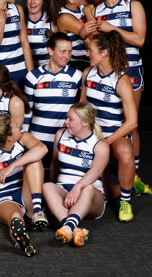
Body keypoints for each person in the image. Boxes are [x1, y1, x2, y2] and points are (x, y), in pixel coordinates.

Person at [85, 0, 151, 196]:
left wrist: (113, 28)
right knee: (105, 119)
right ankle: (107, 179)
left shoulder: (133, 5)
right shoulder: (95, 9)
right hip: (105, 73)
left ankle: (134, 178)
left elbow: (140, 39)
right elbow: (93, 43)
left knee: (130, 123)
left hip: (131, 70)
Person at [80, 31, 138, 222]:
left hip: (114, 135)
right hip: (94, 135)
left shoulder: (121, 80)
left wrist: (106, 142)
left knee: (125, 151)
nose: (87, 54)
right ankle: (129, 186)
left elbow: (132, 122)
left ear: (104, 53)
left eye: (91, 50)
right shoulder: (88, 74)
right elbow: (82, 109)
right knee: (102, 194)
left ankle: (126, 200)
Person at [0, 114, 48, 257]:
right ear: (9, 137)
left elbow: (42, 149)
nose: (19, 125)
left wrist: (13, 166)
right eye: (15, 126)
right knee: (15, 218)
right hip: (2, 196)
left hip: (25, 191)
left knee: (34, 159)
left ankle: (36, 212)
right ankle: (22, 241)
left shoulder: (23, 138)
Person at [43, 102, 109, 247]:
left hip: (90, 197)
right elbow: (54, 163)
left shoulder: (100, 145)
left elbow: (96, 171)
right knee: (47, 186)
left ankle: (68, 226)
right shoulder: (60, 135)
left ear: (85, 122)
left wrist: (77, 187)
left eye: (70, 119)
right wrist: (52, 192)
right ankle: (71, 228)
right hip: (65, 192)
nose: (66, 122)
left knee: (89, 188)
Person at [23, 32, 82, 173]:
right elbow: (27, 112)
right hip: (38, 140)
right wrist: (24, 139)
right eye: (62, 51)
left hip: (65, 139)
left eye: (69, 52)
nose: (67, 56)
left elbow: (80, 110)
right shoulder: (33, 77)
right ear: (50, 50)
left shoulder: (76, 76)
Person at [46, 0, 96, 71]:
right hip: (79, 65)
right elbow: (95, 36)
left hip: (92, 62)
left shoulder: (81, 4)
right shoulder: (65, 17)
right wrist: (88, 11)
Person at [25, 0, 57, 67]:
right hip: (25, 70)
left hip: (47, 69)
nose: (32, 2)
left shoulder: (51, 20)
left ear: (43, 1)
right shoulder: (20, 20)